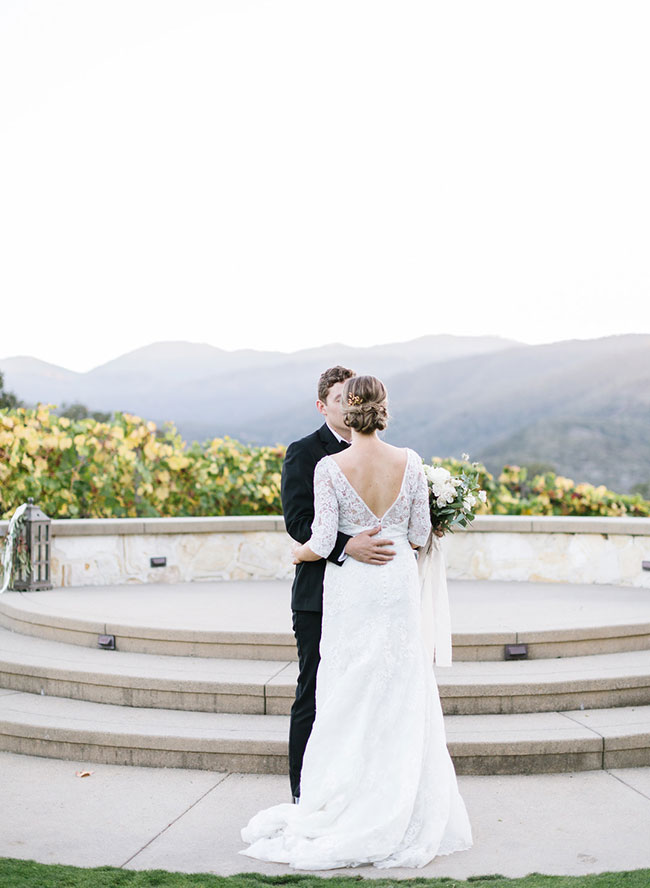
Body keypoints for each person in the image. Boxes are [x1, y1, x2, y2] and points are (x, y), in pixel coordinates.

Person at [240, 375, 473, 870]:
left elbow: (320, 539)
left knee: (349, 693)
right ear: (384, 409)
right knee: (399, 691)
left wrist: (298, 554)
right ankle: (404, 807)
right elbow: (416, 533)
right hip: (396, 585)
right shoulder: (410, 462)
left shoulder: (330, 467)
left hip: (354, 592)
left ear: (350, 408)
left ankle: (345, 803)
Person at [280, 365, 398, 804]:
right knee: (313, 690)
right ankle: (302, 791)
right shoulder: (305, 453)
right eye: (338, 400)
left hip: (375, 596)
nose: (349, 407)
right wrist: (349, 546)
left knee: (364, 691)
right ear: (322, 406)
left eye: (354, 398)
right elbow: (298, 524)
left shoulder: (388, 456)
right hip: (319, 595)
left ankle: (360, 787)